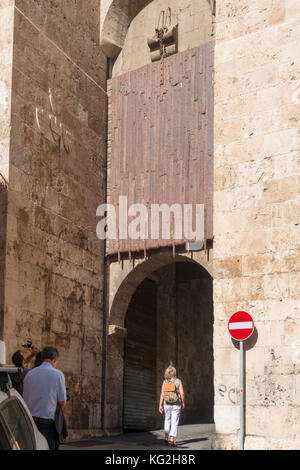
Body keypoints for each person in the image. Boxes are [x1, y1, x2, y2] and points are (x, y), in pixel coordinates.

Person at [23, 346, 67, 450]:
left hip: (30, 421)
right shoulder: (58, 375)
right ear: (54, 360)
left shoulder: (29, 374)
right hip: (47, 424)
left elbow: (25, 398)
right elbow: (62, 402)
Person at [159, 365, 185, 447]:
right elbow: (182, 393)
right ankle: (172, 440)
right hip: (176, 404)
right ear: (174, 373)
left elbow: (162, 394)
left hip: (166, 404)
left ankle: (166, 438)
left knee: (167, 420)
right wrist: (183, 402)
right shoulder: (178, 381)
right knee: (174, 422)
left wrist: (160, 405)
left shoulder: (165, 382)